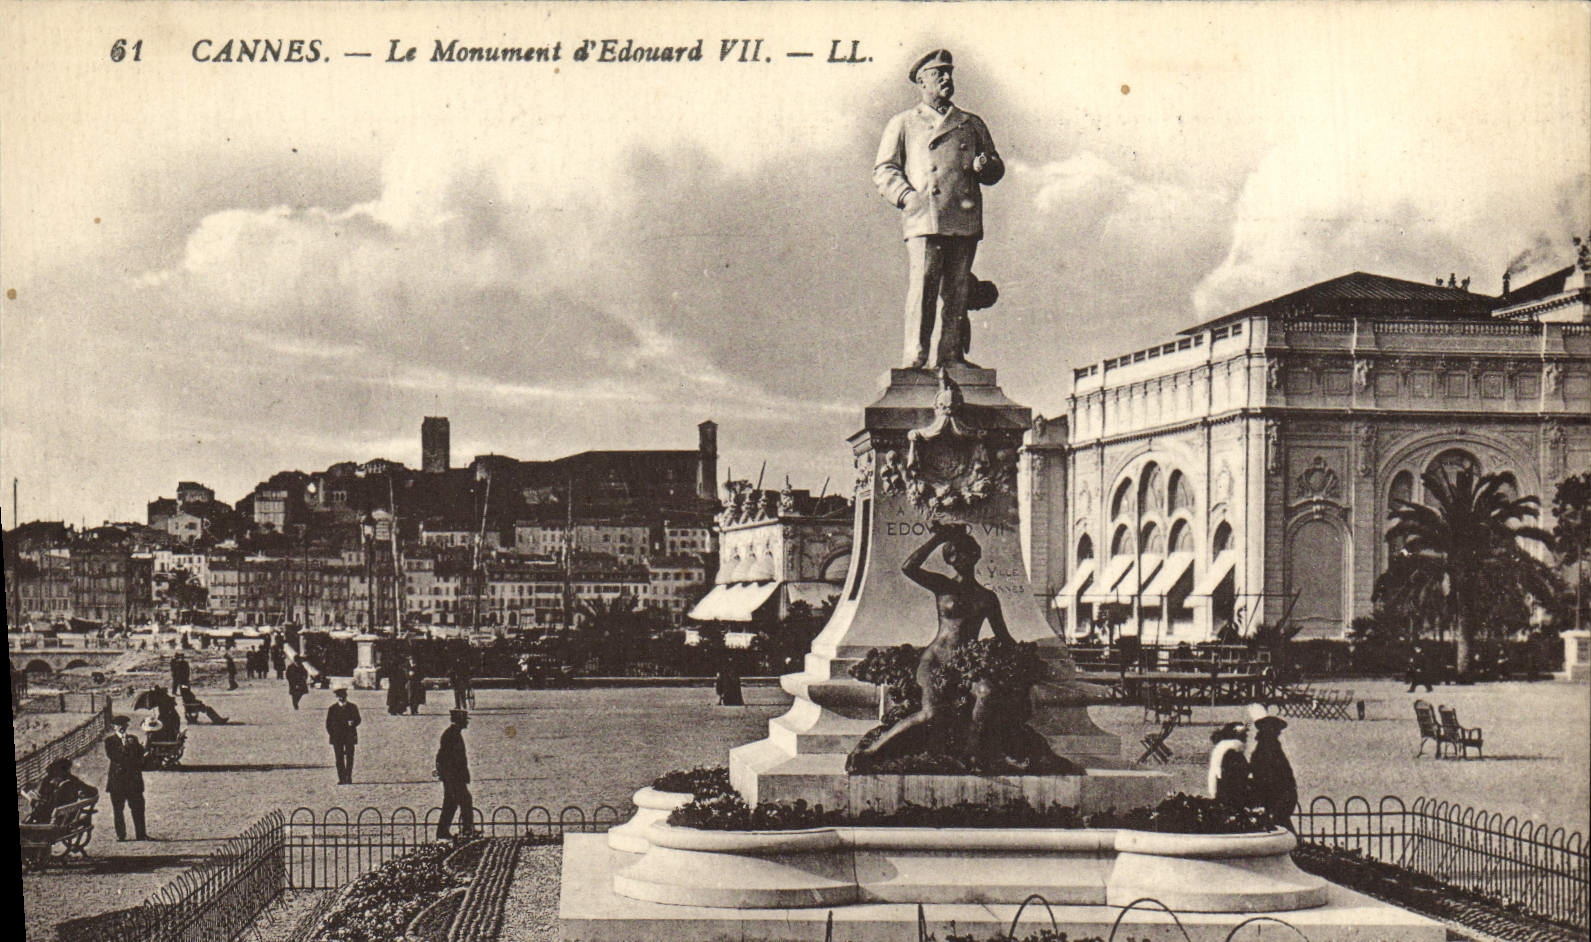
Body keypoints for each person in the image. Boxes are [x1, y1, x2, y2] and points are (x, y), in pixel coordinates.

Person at [874, 49, 1004, 370]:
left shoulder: (971, 123)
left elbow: (995, 168)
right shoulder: (904, 123)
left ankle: (951, 356)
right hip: (925, 217)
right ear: (922, 82)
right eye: (938, 74)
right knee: (924, 287)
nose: (947, 79)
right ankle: (915, 356)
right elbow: (885, 169)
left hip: (963, 215)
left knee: (958, 290)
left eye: (949, 73)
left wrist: (984, 165)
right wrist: (907, 197)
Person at [860, 523, 1013, 760]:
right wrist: (938, 539)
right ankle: (874, 748)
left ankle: (971, 752)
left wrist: (1021, 656)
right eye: (953, 554)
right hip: (935, 660)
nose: (959, 558)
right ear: (949, 560)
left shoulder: (987, 597)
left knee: (986, 692)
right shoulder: (944, 586)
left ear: (976, 554)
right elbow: (909, 568)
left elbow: (1003, 636)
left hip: (965, 664)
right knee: (931, 713)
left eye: (965, 552)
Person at [1246, 704, 1298, 830]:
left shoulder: (1263, 748)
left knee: (1279, 824)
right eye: (1277, 731)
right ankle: (1295, 841)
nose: (1278, 733)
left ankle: (1294, 841)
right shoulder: (1270, 748)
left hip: (1275, 795)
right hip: (1278, 795)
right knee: (1281, 824)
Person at [105, 715, 149, 840]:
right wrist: (127, 749)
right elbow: (114, 756)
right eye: (118, 725)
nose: (121, 727)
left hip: (133, 781)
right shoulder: (109, 741)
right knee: (118, 809)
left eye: (124, 725)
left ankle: (141, 834)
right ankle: (121, 835)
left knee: (138, 808)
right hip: (117, 781)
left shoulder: (133, 739)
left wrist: (144, 747)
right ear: (114, 727)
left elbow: (140, 754)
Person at [435, 709, 475, 839]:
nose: (467, 723)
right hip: (453, 776)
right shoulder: (451, 734)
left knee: (451, 803)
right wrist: (448, 774)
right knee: (465, 801)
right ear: (460, 721)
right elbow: (443, 756)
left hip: (454, 776)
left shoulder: (453, 733)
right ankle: (467, 830)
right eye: (465, 720)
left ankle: (443, 831)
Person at [27, 757, 99, 824]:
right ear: (67, 770)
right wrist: (82, 793)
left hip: (49, 818)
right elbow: (93, 791)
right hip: (65, 819)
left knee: (38, 807)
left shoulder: (47, 780)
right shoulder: (73, 780)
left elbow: (41, 795)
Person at [1208, 721, 1250, 808]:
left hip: (1219, 790)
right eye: (1244, 733)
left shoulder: (1222, 747)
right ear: (1237, 735)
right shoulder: (1233, 750)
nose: (1246, 736)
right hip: (1229, 795)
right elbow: (1236, 775)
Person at [325, 685, 361, 785]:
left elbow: (358, 719)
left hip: (349, 736)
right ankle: (341, 778)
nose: (341, 698)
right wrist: (332, 734)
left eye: (343, 696)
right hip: (337, 737)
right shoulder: (332, 709)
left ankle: (348, 777)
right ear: (337, 697)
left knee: (350, 757)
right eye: (339, 696)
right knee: (339, 758)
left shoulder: (352, 707)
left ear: (346, 696)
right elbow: (328, 724)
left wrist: (353, 722)